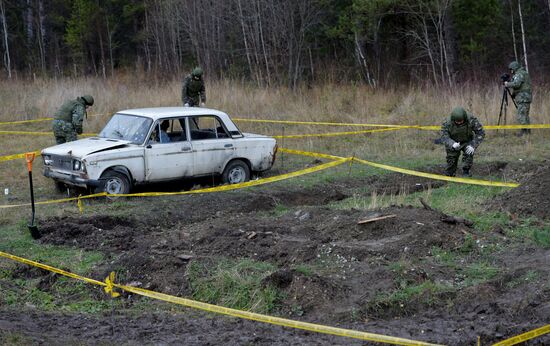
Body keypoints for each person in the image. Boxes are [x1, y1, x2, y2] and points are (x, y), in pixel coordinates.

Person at [440, 107, 485, 177]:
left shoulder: (471, 120)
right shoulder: (447, 123)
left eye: (461, 121)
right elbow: (444, 136)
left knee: (469, 154)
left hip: (467, 141)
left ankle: (466, 172)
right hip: (453, 142)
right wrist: (452, 144)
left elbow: (481, 132)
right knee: (451, 159)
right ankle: (450, 174)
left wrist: (473, 144)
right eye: (457, 121)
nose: (459, 123)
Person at [504, 61, 532, 136]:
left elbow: (517, 84)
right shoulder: (524, 73)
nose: (511, 71)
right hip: (525, 97)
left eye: (511, 69)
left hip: (523, 97)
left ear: (514, 68)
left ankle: (524, 132)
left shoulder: (519, 74)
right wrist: (513, 94)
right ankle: (527, 132)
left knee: (521, 114)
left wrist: (507, 84)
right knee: (525, 114)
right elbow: (520, 86)